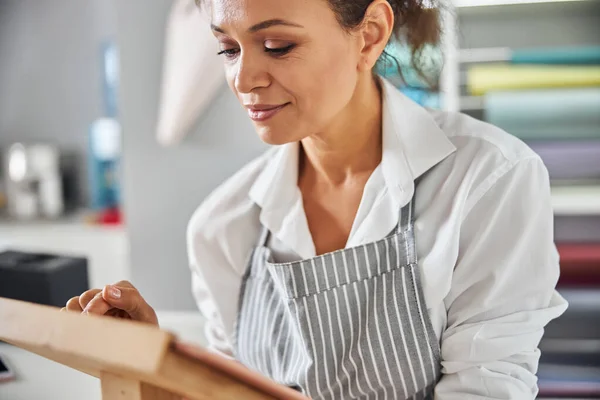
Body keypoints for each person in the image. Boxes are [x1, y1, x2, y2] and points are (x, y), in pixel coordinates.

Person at [63, 0, 568, 398]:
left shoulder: (489, 180)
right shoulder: (221, 226)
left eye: (278, 45)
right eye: (228, 49)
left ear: (368, 35)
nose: (243, 80)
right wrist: (156, 367)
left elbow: (488, 386)